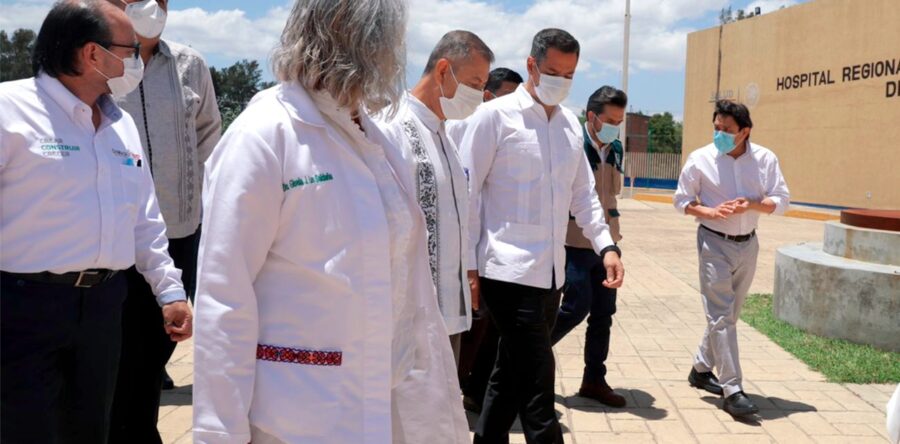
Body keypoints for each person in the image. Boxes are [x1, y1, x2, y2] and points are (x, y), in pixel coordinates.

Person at [192, 1, 468, 443]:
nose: (392, 57)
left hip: (386, 395)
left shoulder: (374, 138)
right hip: (301, 410)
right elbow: (224, 297)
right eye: (388, 41)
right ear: (354, 37)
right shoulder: (265, 135)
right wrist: (218, 433)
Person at [0, 1, 192, 443]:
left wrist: (171, 292)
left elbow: (144, 218)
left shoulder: (120, 124)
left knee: (91, 430)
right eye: (130, 50)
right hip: (22, 308)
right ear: (92, 54)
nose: (135, 61)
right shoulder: (10, 111)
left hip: (105, 306)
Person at [462, 28, 625, 443]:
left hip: (551, 275)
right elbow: (465, 197)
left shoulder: (569, 127)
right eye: (553, 71)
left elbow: (584, 196)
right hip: (505, 271)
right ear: (532, 66)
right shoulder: (493, 118)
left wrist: (605, 245)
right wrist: (466, 267)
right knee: (538, 384)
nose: (561, 82)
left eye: (569, 74)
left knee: (509, 375)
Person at [105, 0, 221, 442]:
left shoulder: (191, 65)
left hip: (178, 230)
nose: (152, 6)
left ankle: (138, 427)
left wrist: (205, 204)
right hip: (116, 239)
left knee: (156, 348)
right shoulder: (101, 59)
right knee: (114, 350)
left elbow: (209, 133)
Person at [379, 30, 493, 362]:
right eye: (473, 83)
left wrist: (467, 273)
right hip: (407, 318)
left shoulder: (446, 136)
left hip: (449, 312)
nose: (478, 95)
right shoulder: (391, 128)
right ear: (443, 70)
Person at [674, 100, 790, 417]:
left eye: (727, 130)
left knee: (729, 315)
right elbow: (681, 200)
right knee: (721, 316)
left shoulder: (765, 159)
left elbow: (781, 201)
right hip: (713, 242)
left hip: (748, 244)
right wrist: (708, 211)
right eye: (716, 128)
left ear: (745, 131)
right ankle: (732, 389)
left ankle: (700, 368)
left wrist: (751, 204)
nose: (720, 135)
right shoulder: (700, 159)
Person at [550, 86, 627, 408]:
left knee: (603, 314)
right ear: (592, 116)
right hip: (575, 240)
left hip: (608, 243)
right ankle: (521, 356)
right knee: (575, 307)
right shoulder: (572, 145)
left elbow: (611, 196)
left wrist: (610, 244)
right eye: (610, 120)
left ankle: (594, 380)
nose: (615, 127)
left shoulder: (617, 148)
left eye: (620, 121)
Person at [452, 66, 524, 413]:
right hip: (460, 247)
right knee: (467, 327)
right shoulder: (461, 126)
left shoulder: (508, 131)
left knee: (487, 328)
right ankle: (459, 389)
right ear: (487, 95)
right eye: (507, 96)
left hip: (488, 248)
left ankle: (475, 391)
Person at [446, 67, 522, 144]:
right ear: (487, 96)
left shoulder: (521, 127)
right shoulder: (459, 125)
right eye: (508, 97)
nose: (514, 102)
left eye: (518, 98)